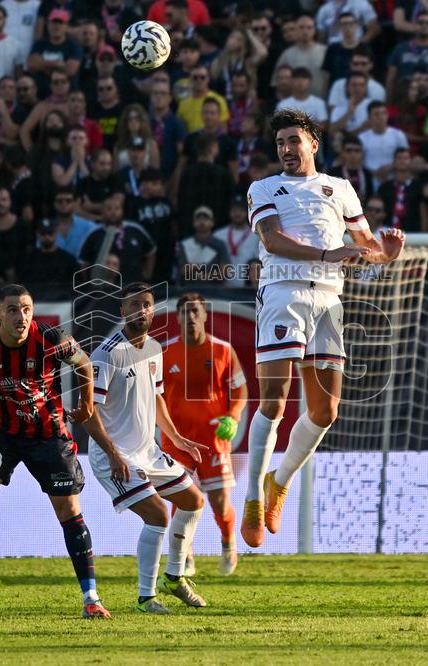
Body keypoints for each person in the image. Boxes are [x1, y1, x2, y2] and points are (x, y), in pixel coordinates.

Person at [241, 109, 405, 547]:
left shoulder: (342, 189)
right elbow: (272, 240)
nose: (286, 149)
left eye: (294, 140)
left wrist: (384, 255)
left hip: (329, 299)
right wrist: (328, 256)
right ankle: (253, 498)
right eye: (280, 143)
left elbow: (364, 247)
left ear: (313, 144)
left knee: (325, 412)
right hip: (283, 293)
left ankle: (280, 481)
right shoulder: (264, 187)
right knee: (274, 402)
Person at [0, 284, 114, 620]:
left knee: (69, 510)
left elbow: (85, 364)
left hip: (47, 433)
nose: (21, 316)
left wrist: (86, 403)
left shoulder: (51, 339)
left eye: (27, 308)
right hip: (0, 432)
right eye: (13, 309)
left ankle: (91, 597)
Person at [83, 283, 211, 613]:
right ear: (122, 311)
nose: (142, 310)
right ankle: (146, 597)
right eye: (135, 305)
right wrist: (112, 454)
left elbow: (156, 397)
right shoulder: (106, 354)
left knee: (193, 499)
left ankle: (174, 577)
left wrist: (178, 438)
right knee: (156, 514)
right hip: (112, 454)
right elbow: (87, 412)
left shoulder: (154, 348)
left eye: (148, 305)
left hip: (147, 450)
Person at [162, 293, 248, 575]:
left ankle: (227, 541)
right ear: (177, 318)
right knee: (181, 499)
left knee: (220, 503)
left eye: (195, 311)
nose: (190, 317)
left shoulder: (223, 350)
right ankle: (185, 555)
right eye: (185, 312)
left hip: (213, 439)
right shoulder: (163, 353)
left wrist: (233, 417)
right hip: (176, 441)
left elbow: (240, 390)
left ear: (205, 316)